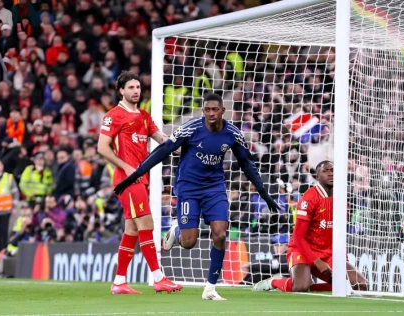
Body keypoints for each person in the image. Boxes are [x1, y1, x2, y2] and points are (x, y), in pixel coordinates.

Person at [114, 93, 280, 300]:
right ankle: (177, 229)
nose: (211, 113)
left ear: (222, 111)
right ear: (203, 111)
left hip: (215, 189)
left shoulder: (233, 134)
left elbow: (247, 164)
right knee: (189, 242)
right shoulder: (191, 128)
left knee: (220, 234)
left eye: (215, 110)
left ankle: (210, 288)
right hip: (188, 189)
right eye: (207, 110)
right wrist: (136, 174)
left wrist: (264, 193)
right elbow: (164, 150)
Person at [97, 71, 181, 294]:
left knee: (131, 230)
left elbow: (162, 140)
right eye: (131, 88)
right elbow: (102, 147)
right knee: (147, 225)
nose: (135, 91)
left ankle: (119, 282)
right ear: (121, 90)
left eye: (138, 87)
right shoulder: (113, 116)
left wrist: (184, 145)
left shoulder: (144, 115)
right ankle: (158, 278)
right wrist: (125, 166)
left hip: (141, 179)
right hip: (127, 180)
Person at [252, 161, 368, 293]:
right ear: (317, 176)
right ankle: (273, 282)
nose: (330, 173)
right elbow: (298, 237)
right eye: (325, 171)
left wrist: (342, 259)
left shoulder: (342, 199)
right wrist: (317, 261)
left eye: (332, 170)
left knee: (360, 285)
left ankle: (309, 285)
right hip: (302, 250)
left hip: (328, 254)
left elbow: (339, 234)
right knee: (300, 287)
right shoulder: (309, 198)